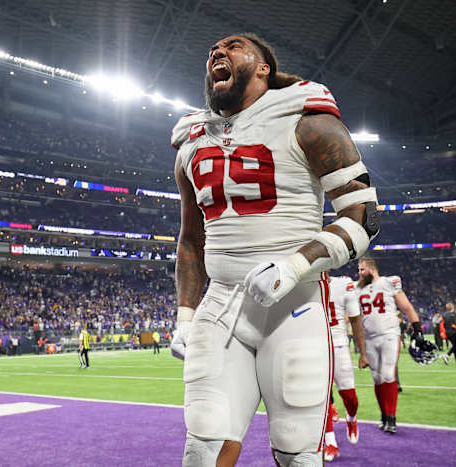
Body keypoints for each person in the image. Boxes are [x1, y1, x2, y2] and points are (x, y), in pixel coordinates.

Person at [169, 33, 380, 467]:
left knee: (297, 454)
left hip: (295, 307)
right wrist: (186, 315)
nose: (217, 51)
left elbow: (365, 215)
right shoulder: (192, 141)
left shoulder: (306, 120)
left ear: (263, 67)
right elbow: (191, 238)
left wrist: (294, 265)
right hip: (221, 306)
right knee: (201, 451)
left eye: (233, 45)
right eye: (212, 49)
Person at [356, 258, 424, 435]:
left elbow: (407, 307)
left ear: (372, 269)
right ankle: (384, 416)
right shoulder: (358, 288)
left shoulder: (389, 282)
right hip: (370, 338)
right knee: (377, 379)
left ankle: (392, 418)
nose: (359, 273)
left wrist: (417, 329)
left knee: (387, 374)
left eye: (362, 270)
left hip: (389, 334)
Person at [323, 276, 369, 461]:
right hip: (316, 348)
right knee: (321, 399)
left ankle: (351, 417)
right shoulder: (304, 284)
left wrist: (363, 353)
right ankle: (331, 442)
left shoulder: (343, 284)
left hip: (339, 344)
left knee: (350, 398)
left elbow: (356, 320)